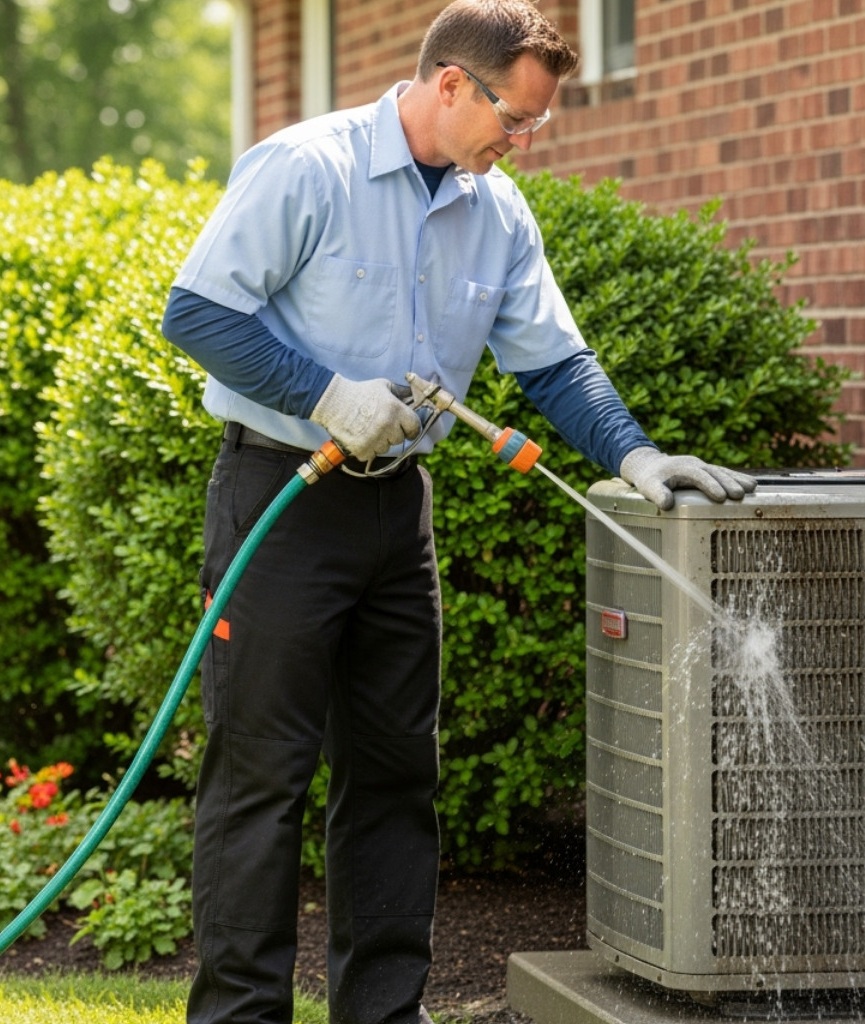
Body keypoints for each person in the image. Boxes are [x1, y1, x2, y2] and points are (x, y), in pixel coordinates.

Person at [161, 1, 755, 1021]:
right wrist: (325, 391)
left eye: (533, 126)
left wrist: (638, 453)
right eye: (512, 120)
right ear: (450, 85)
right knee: (259, 779)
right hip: (282, 498)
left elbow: (554, 359)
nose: (519, 143)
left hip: (397, 515)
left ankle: (383, 1015)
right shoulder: (310, 167)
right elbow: (199, 313)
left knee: (396, 777)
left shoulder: (496, 210)